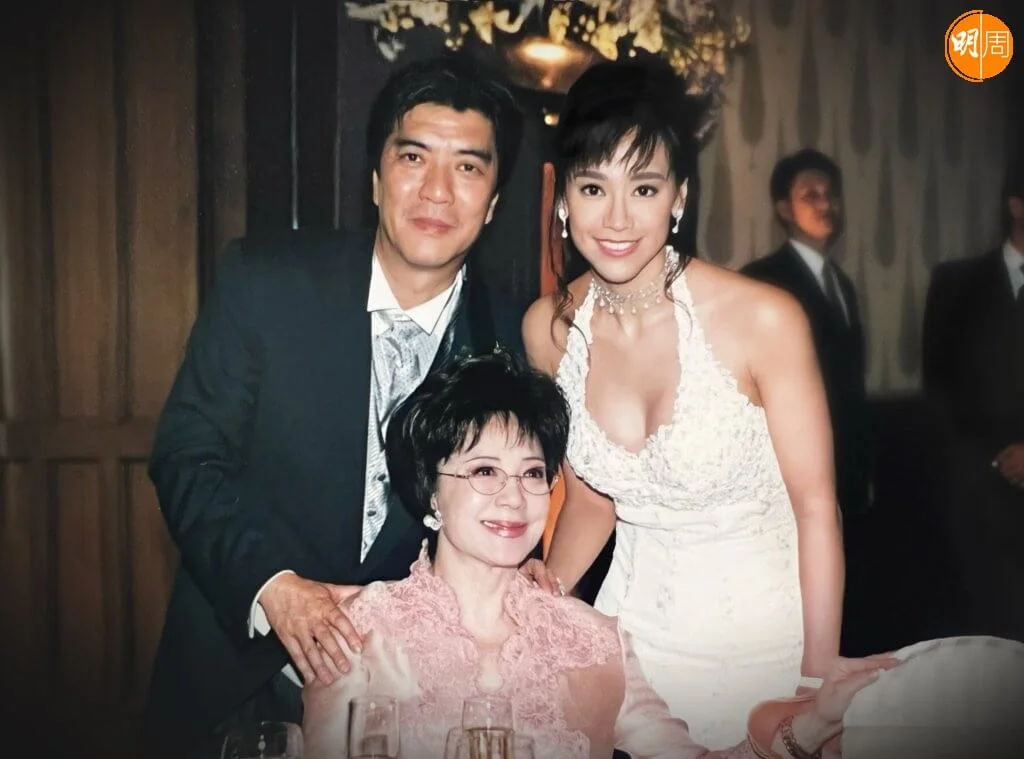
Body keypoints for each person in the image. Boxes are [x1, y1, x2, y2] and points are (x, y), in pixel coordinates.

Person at [142, 54, 526, 755]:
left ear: (494, 201)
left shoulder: (510, 340)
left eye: (468, 167)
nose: (437, 190)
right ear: (376, 179)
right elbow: (188, 454)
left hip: (407, 700)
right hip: (239, 672)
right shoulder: (264, 282)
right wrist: (272, 586)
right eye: (414, 157)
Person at [302, 352, 893, 759]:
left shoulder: (595, 641)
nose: (513, 496)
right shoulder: (357, 633)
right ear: (431, 493)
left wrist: (811, 725)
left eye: (533, 473)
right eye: (484, 471)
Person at [520, 59, 844, 747]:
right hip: (628, 654)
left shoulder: (764, 319)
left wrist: (814, 691)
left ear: (679, 197)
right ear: (564, 199)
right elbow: (592, 502)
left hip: (769, 656)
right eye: (592, 187)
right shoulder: (548, 331)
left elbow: (817, 508)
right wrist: (543, 595)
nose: (616, 218)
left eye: (643, 187)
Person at [922, 158, 1024, 642]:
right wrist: (991, 458)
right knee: (987, 634)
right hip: (976, 491)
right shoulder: (956, 284)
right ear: (1016, 206)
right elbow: (939, 387)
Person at [741, 149, 871, 518]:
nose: (826, 204)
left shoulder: (842, 284)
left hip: (846, 471)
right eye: (811, 195)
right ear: (784, 209)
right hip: (790, 477)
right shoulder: (762, 280)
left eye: (831, 194)